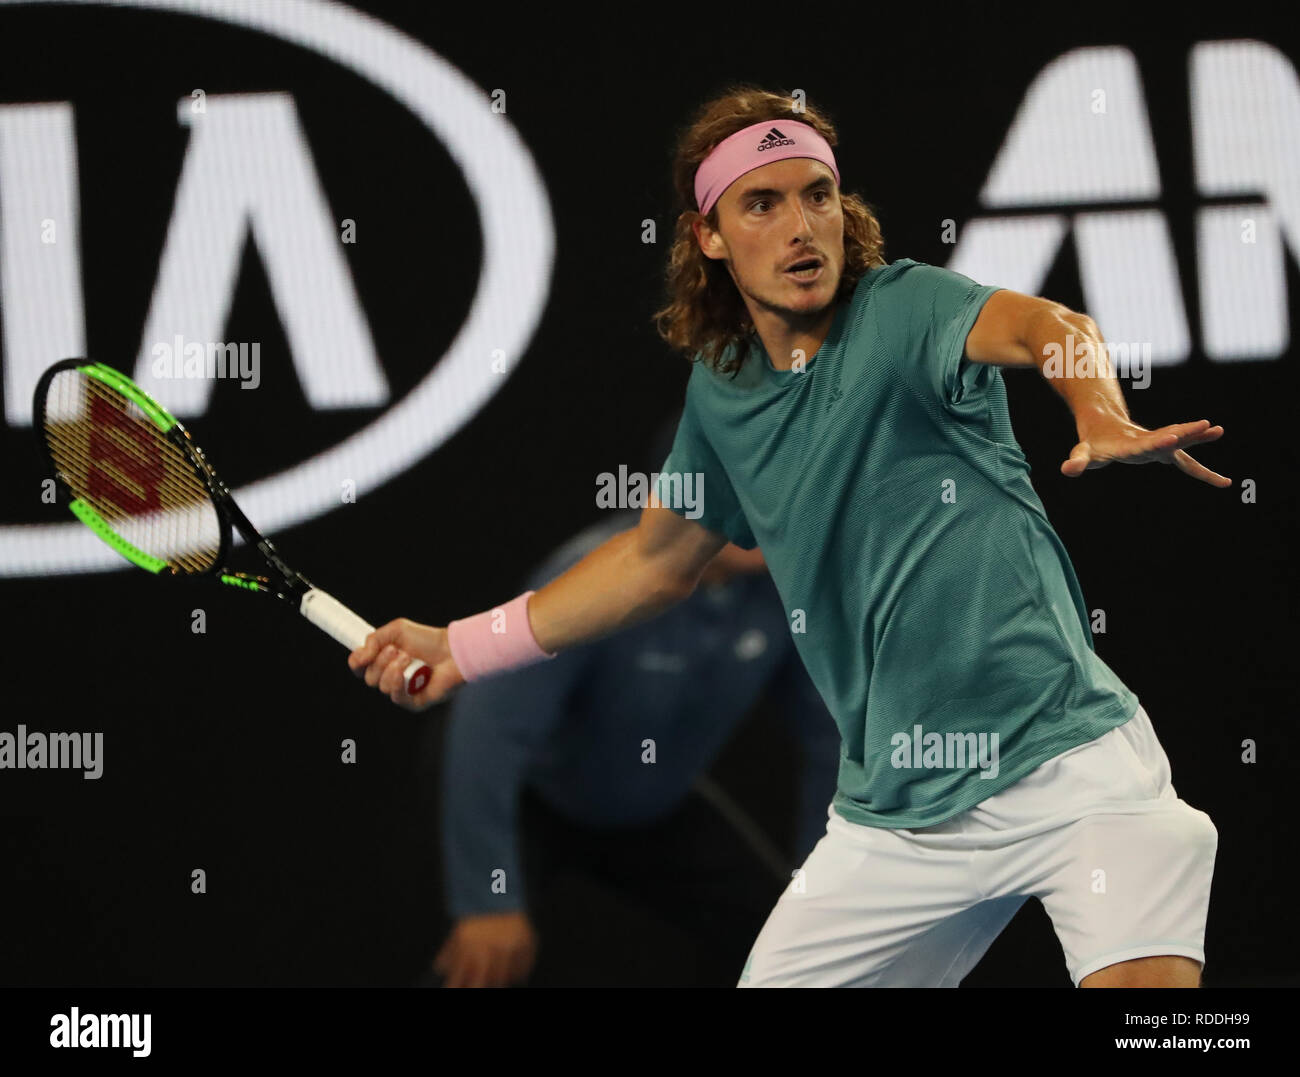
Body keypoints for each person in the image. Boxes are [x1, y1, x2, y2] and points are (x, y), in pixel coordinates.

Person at [351, 85, 1227, 988]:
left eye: (817, 195)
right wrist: (463, 645)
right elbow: (654, 561)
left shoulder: (907, 308)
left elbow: (1055, 326)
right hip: (894, 820)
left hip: (1072, 770)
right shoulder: (723, 391)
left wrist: (1101, 411)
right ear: (710, 236)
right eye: (761, 204)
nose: (800, 226)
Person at [427, 492, 839, 988]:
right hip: (529, 802)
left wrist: (821, 894)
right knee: (473, 966)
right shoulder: (594, 574)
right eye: (736, 487)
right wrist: (486, 901)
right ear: (669, 497)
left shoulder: (786, 593)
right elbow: (488, 728)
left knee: (797, 951)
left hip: (656, 808)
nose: (761, 509)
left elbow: (829, 740)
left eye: (769, 487)